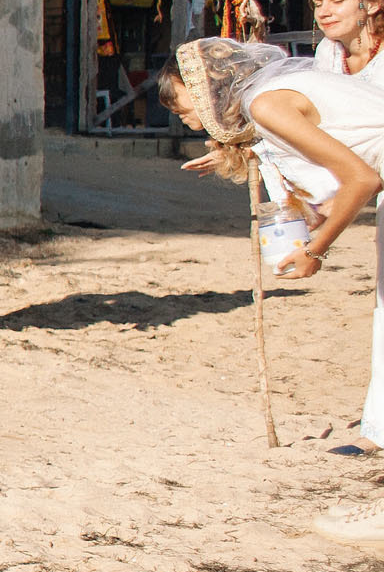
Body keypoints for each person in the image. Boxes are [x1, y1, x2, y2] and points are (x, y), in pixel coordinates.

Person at [163, 37, 384, 544]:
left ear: (211, 86)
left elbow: (361, 179)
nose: (190, 120)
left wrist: (317, 251)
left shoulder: (267, 103)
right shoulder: (278, 96)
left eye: (187, 104)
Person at [311, 0, 384, 82]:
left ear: (373, 4)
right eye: (318, 4)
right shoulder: (329, 51)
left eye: (338, 1)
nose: (323, 13)